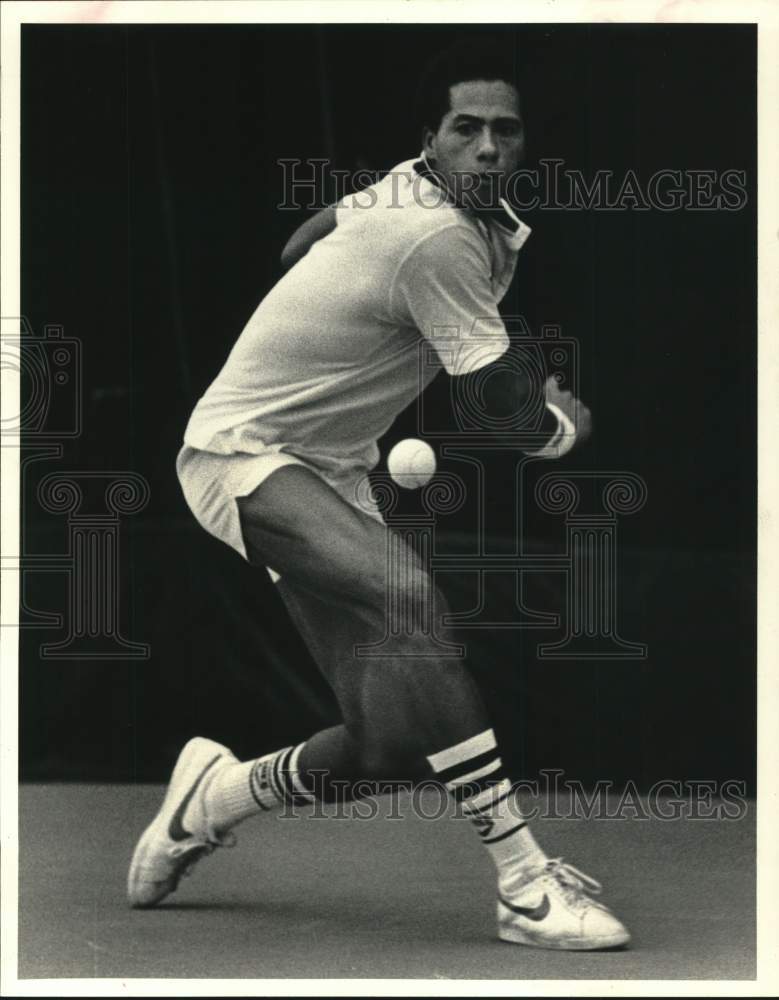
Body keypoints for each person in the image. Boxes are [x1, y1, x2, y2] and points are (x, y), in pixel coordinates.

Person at [127, 38, 629, 951]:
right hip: (243, 452)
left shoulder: (404, 190)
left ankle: (213, 797)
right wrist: (560, 430)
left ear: (524, 146)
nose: (486, 147)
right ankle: (523, 885)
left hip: (329, 468)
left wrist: (338, 308)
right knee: (410, 605)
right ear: (431, 140)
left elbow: (300, 241)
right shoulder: (435, 234)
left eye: (503, 131)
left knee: (386, 743)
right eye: (465, 129)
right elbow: (496, 401)